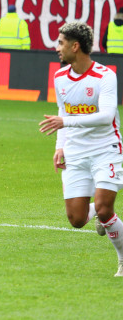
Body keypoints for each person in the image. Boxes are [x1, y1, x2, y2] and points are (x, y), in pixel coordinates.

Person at [40, 22, 123, 276]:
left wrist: (66, 122)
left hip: (105, 147)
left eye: (61, 42)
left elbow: (106, 115)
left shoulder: (105, 76)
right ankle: (97, 214)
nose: (57, 48)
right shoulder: (59, 77)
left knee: (104, 206)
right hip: (75, 151)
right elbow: (62, 112)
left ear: (75, 46)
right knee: (76, 219)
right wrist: (60, 146)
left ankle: (122, 258)